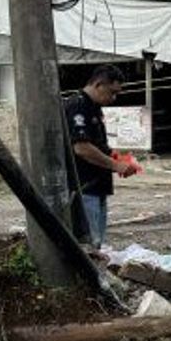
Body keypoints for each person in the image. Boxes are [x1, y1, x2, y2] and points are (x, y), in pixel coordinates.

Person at [65, 65, 138, 249]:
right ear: (99, 84)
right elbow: (82, 148)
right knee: (89, 245)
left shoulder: (94, 107)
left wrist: (116, 157)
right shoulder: (78, 105)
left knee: (97, 244)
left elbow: (96, 144)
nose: (113, 98)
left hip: (97, 186)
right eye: (112, 92)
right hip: (84, 187)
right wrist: (116, 165)